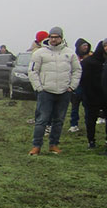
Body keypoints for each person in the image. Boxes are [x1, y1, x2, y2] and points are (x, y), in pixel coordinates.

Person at [27, 26, 81, 155]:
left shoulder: (70, 53)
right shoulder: (39, 53)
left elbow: (77, 70)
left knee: (59, 120)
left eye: (56, 37)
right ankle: (36, 146)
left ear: (61, 38)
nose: (53, 39)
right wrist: (39, 88)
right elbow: (33, 71)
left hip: (64, 92)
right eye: (51, 37)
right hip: (46, 92)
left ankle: (54, 145)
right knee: (42, 120)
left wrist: (72, 86)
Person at [80, 39, 107, 151]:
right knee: (90, 120)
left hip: (104, 95)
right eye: (105, 46)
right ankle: (91, 140)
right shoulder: (88, 62)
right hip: (92, 95)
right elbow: (84, 80)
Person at [68, 39, 92, 133]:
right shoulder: (74, 57)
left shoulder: (91, 56)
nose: (85, 47)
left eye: (86, 45)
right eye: (83, 45)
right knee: (75, 106)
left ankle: (89, 123)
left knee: (88, 106)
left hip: (88, 85)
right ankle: (74, 124)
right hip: (77, 85)